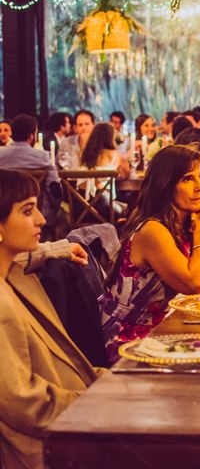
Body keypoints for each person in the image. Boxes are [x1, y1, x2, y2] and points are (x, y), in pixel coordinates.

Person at [0, 169, 100, 469]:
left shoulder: (12, 269)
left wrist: (61, 249)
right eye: (28, 211)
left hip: (71, 411)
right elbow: (22, 402)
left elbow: (26, 256)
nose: (42, 220)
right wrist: (101, 403)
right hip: (48, 447)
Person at [99, 145, 200, 362]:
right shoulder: (153, 230)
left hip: (165, 329)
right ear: (165, 186)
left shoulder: (184, 222)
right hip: (130, 340)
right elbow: (193, 286)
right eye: (187, 179)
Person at [0, 115, 61, 226]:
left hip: (3, 211)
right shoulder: (42, 157)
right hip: (36, 211)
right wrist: (54, 210)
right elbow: (54, 188)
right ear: (31, 135)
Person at [78, 123, 130, 220]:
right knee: (129, 207)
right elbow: (126, 174)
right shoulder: (114, 154)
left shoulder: (84, 155)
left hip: (81, 209)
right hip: (105, 209)